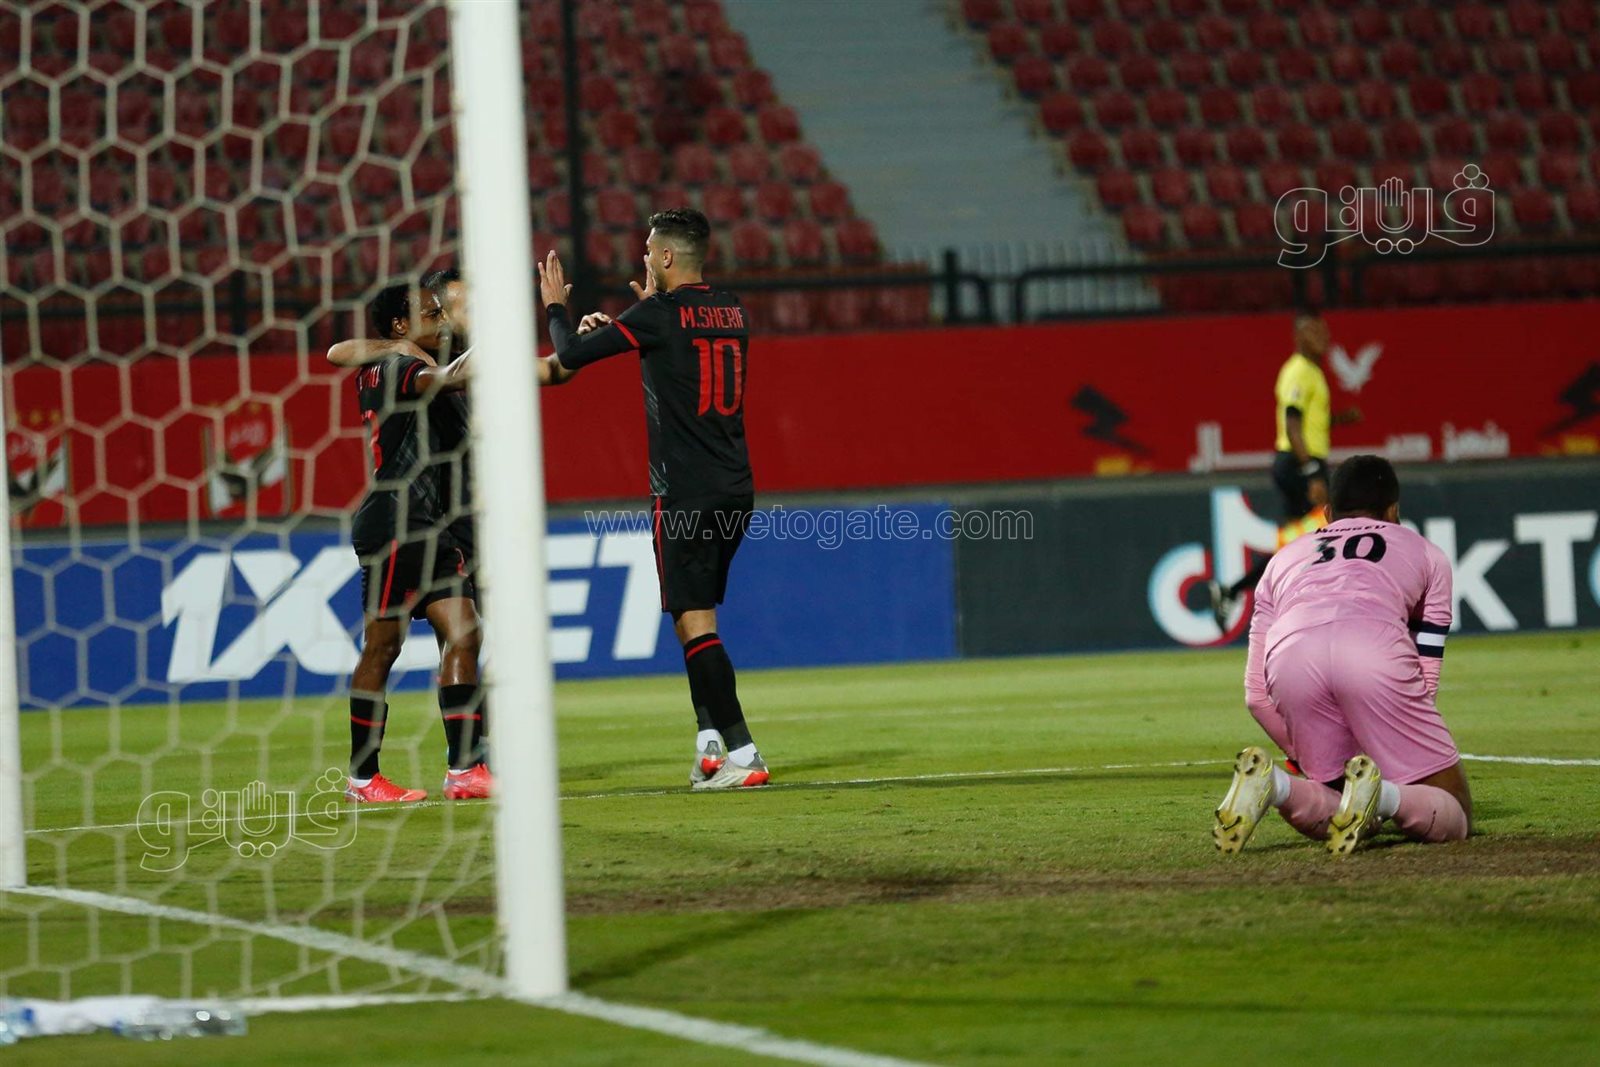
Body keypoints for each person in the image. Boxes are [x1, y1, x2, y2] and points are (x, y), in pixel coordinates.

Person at [536, 207, 767, 790]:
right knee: (695, 617)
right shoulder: (732, 309)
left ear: (666, 256)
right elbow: (679, 345)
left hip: (684, 492)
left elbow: (569, 356)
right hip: (735, 487)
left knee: (695, 621)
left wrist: (556, 309)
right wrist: (638, 315)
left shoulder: (658, 315)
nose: (643, 257)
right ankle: (709, 746)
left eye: (648, 250)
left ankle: (744, 754)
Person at [1212, 454, 1472, 857]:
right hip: (1372, 649)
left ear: (1328, 513)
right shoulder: (1427, 554)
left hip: (1291, 659)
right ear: (1394, 511)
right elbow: (1426, 679)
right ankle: (1384, 796)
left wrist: (1304, 756)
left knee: (1336, 797)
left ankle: (1276, 786)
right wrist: (1397, 752)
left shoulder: (1282, 560)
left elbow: (1256, 697)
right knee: (1456, 807)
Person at [339, 281, 494, 803]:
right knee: (383, 647)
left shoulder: (396, 356)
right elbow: (447, 378)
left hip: (431, 526)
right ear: (401, 326)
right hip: (395, 523)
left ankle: (465, 769)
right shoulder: (393, 367)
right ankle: (363, 778)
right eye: (431, 313)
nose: (441, 320)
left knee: (464, 633)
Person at [1209, 310, 1359, 633]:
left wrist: (1339, 419)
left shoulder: (1312, 372)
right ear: (1298, 336)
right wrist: (1312, 473)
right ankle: (1321, 614)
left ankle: (1234, 592)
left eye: (1324, 331)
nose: (1323, 338)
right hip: (1299, 464)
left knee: (1298, 547)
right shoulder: (1299, 371)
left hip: (1300, 463)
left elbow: (1308, 423)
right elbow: (1292, 425)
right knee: (1334, 531)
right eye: (1314, 332)